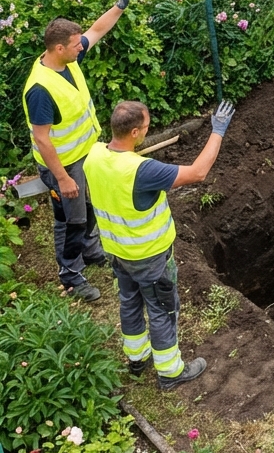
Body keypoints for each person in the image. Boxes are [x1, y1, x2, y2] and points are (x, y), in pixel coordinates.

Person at [83, 99, 235, 389]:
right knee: (162, 309)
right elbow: (198, 172)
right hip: (149, 256)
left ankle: (137, 358)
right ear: (135, 133)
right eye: (147, 126)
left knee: (129, 303)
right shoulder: (142, 170)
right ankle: (170, 372)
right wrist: (218, 130)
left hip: (117, 251)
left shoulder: (93, 156)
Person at [22, 0, 133, 301]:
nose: (81, 47)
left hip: (85, 155)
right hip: (63, 165)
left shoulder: (67, 61)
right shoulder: (40, 89)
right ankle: (70, 274)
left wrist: (120, 5)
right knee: (70, 219)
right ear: (59, 48)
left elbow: (96, 31)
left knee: (90, 206)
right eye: (75, 44)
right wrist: (62, 177)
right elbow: (42, 140)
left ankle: (90, 249)